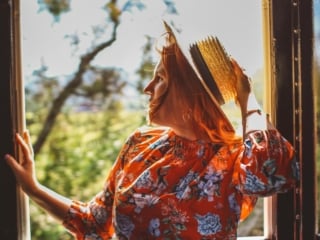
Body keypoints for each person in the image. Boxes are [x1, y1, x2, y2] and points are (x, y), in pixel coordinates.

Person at [5, 22, 299, 239]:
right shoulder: (140, 143)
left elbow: (272, 176)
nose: (147, 88)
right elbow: (95, 223)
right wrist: (33, 189)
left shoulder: (233, 158)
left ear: (187, 93)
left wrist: (247, 98)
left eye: (159, 78)